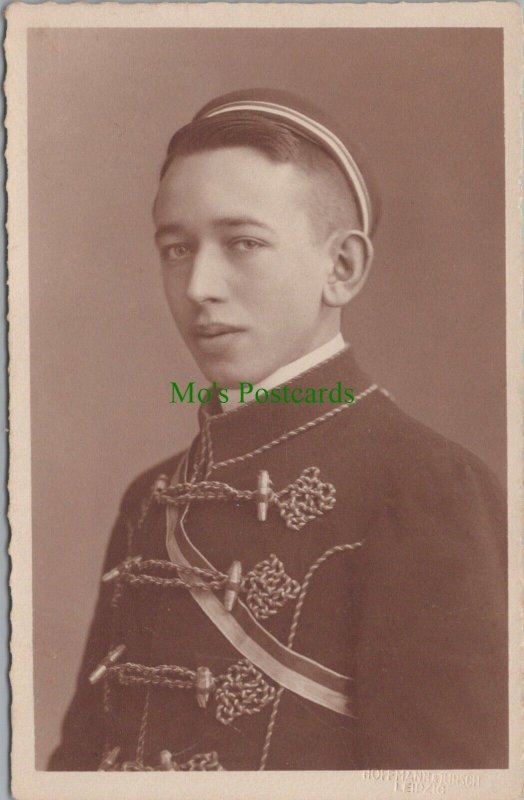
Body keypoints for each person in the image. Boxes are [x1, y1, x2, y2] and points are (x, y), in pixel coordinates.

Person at [49, 89, 507, 772]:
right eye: (176, 249)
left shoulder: (424, 486)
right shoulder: (151, 497)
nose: (199, 284)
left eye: (243, 243)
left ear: (341, 268)